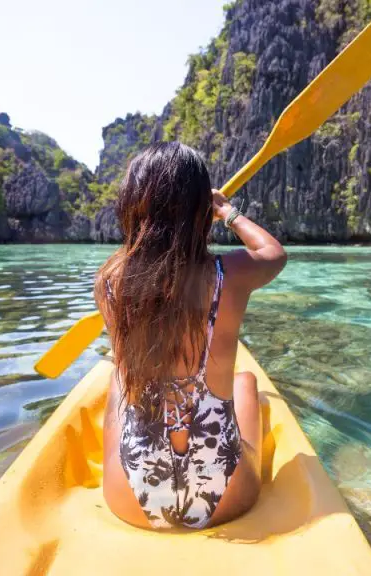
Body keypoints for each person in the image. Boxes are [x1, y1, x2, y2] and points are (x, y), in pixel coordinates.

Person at [96, 142, 287, 530]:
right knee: (246, 382)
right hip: (226, 497)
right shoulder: (229, 274)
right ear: (201, 210)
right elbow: (273, 252)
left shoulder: (109, 283)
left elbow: (143, 259)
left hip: (130, 498)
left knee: (118, 386)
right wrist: (226, 211)